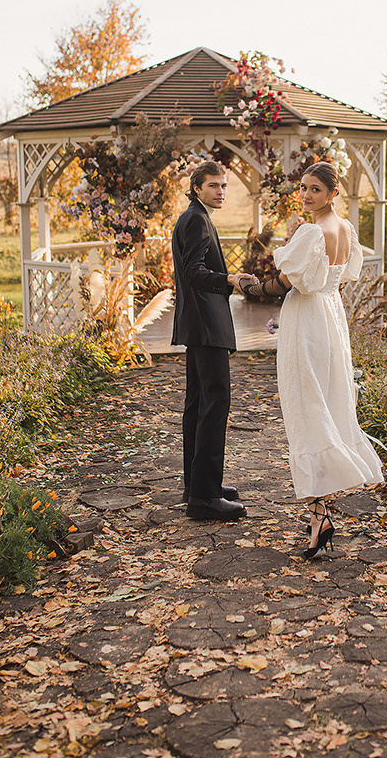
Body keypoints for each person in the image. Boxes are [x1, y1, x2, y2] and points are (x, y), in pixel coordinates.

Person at [240, 161, 384, 557]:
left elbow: (285, 283)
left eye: (316, 189)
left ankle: (319, 514)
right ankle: (320, 513)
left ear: (333, 194)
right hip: (331, 319)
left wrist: (252, 289)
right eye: (303, 187)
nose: (305, 195)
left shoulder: (310, 232)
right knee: (326, 402)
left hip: (307, 322)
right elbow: (339, 276)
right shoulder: (345, 230)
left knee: (306, 408)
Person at [171, 160, 257, 522]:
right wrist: (231, 279)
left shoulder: (197, 215)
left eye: (224, 186)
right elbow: (193, 273)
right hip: (206, 325)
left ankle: (198, 485)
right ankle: (204, 497)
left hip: (200, 324)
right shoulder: (195, 219)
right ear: (196, 187)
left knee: (199, 402)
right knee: (214, 403)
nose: (220, 191)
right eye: (213, 186)